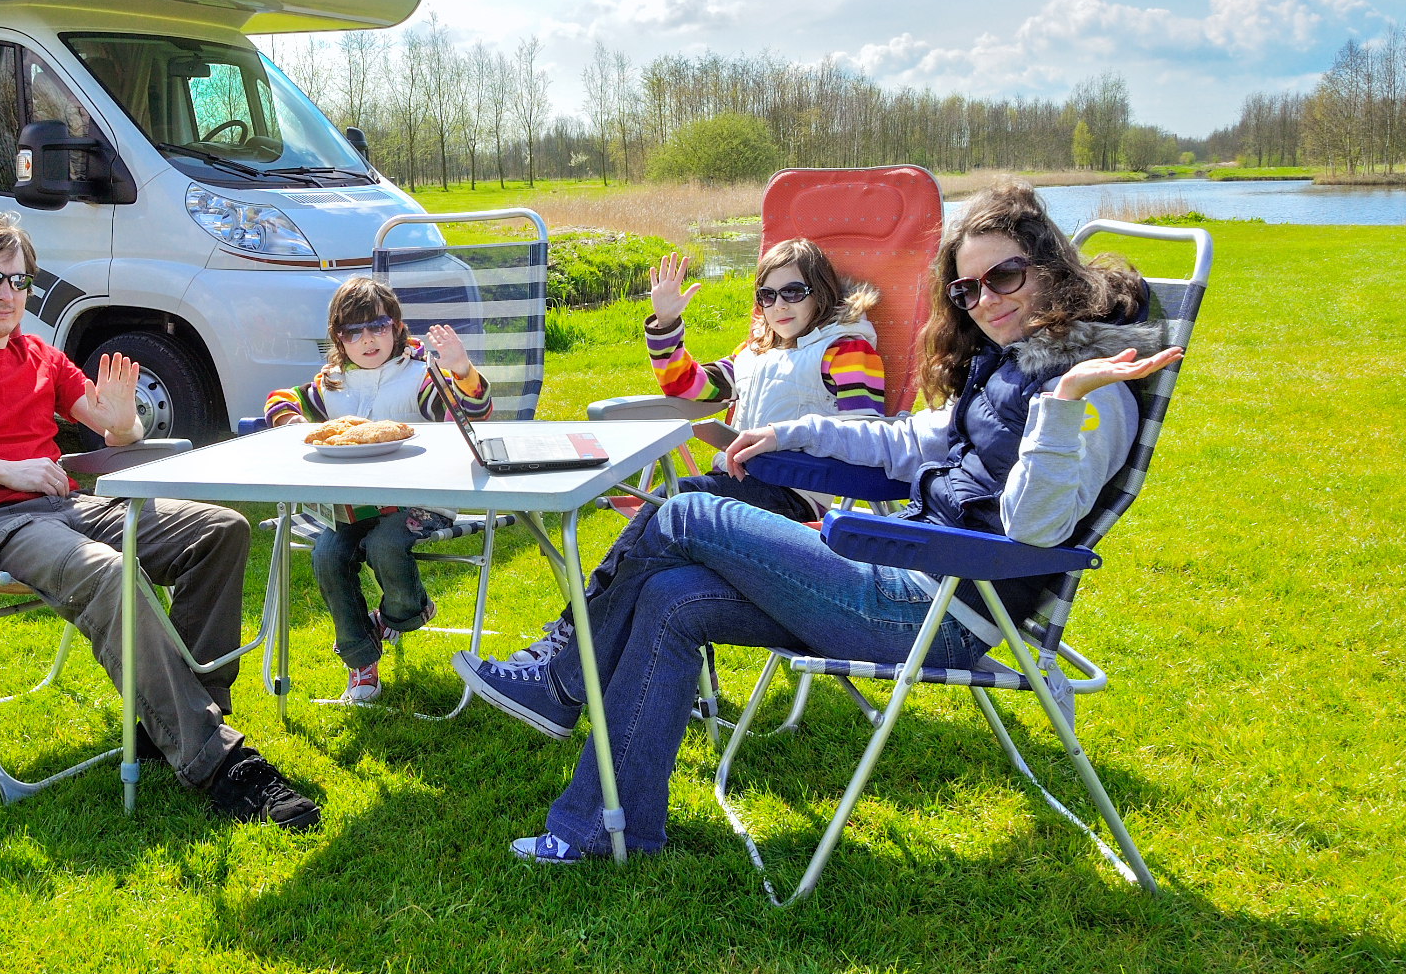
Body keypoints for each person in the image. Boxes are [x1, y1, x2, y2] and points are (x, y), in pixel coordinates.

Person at [466, 182, 1183, 862]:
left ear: (1050, 269)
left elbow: (1035, 530)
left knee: (682, 513)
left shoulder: (1091, 389)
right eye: (968, 288)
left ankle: (560, 683)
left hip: (938, 610)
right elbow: (906, 440)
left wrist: (1060, 404)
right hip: (902, 579)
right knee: (668, 599)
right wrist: (792, 436)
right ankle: (598, 829)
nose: (985, 301)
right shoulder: (1008, 364)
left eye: (1005, 277)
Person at [0, 212, 319, 830]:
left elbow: (117, 430)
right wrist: (8, 470)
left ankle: (185, 721)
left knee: (220, 531)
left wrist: (127, 419)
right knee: (107, 574)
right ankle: (218, 762)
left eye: (20, 282)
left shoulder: (41, 358)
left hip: (65, 505)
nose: (8, 294)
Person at [465, 240, 886, 684]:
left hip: (792, 498)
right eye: (767, 295)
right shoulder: (756, 355)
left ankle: (568, 648)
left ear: (819, 292)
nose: (778, 305)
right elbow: (688, 385)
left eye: (793, 292)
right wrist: (666, 322)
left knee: (670, 501)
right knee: (660, 528)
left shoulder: (846, 349)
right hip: (741, 486)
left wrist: (779, 447)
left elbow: (862, 436)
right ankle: (574, 654)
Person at [264, 277, 492, 704]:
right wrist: (293, 422)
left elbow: (470, 412)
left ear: (397, 327)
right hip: (354, 506)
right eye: (355, 332)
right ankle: (360, 660)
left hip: (421, 500)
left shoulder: (421, 376)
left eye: (379, 327)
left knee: (387, 545)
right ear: (339, 338)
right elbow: (280, 398)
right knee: (327, 554)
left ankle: (404, 612)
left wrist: (461, 370)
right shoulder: (331, 384)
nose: (368, 340)